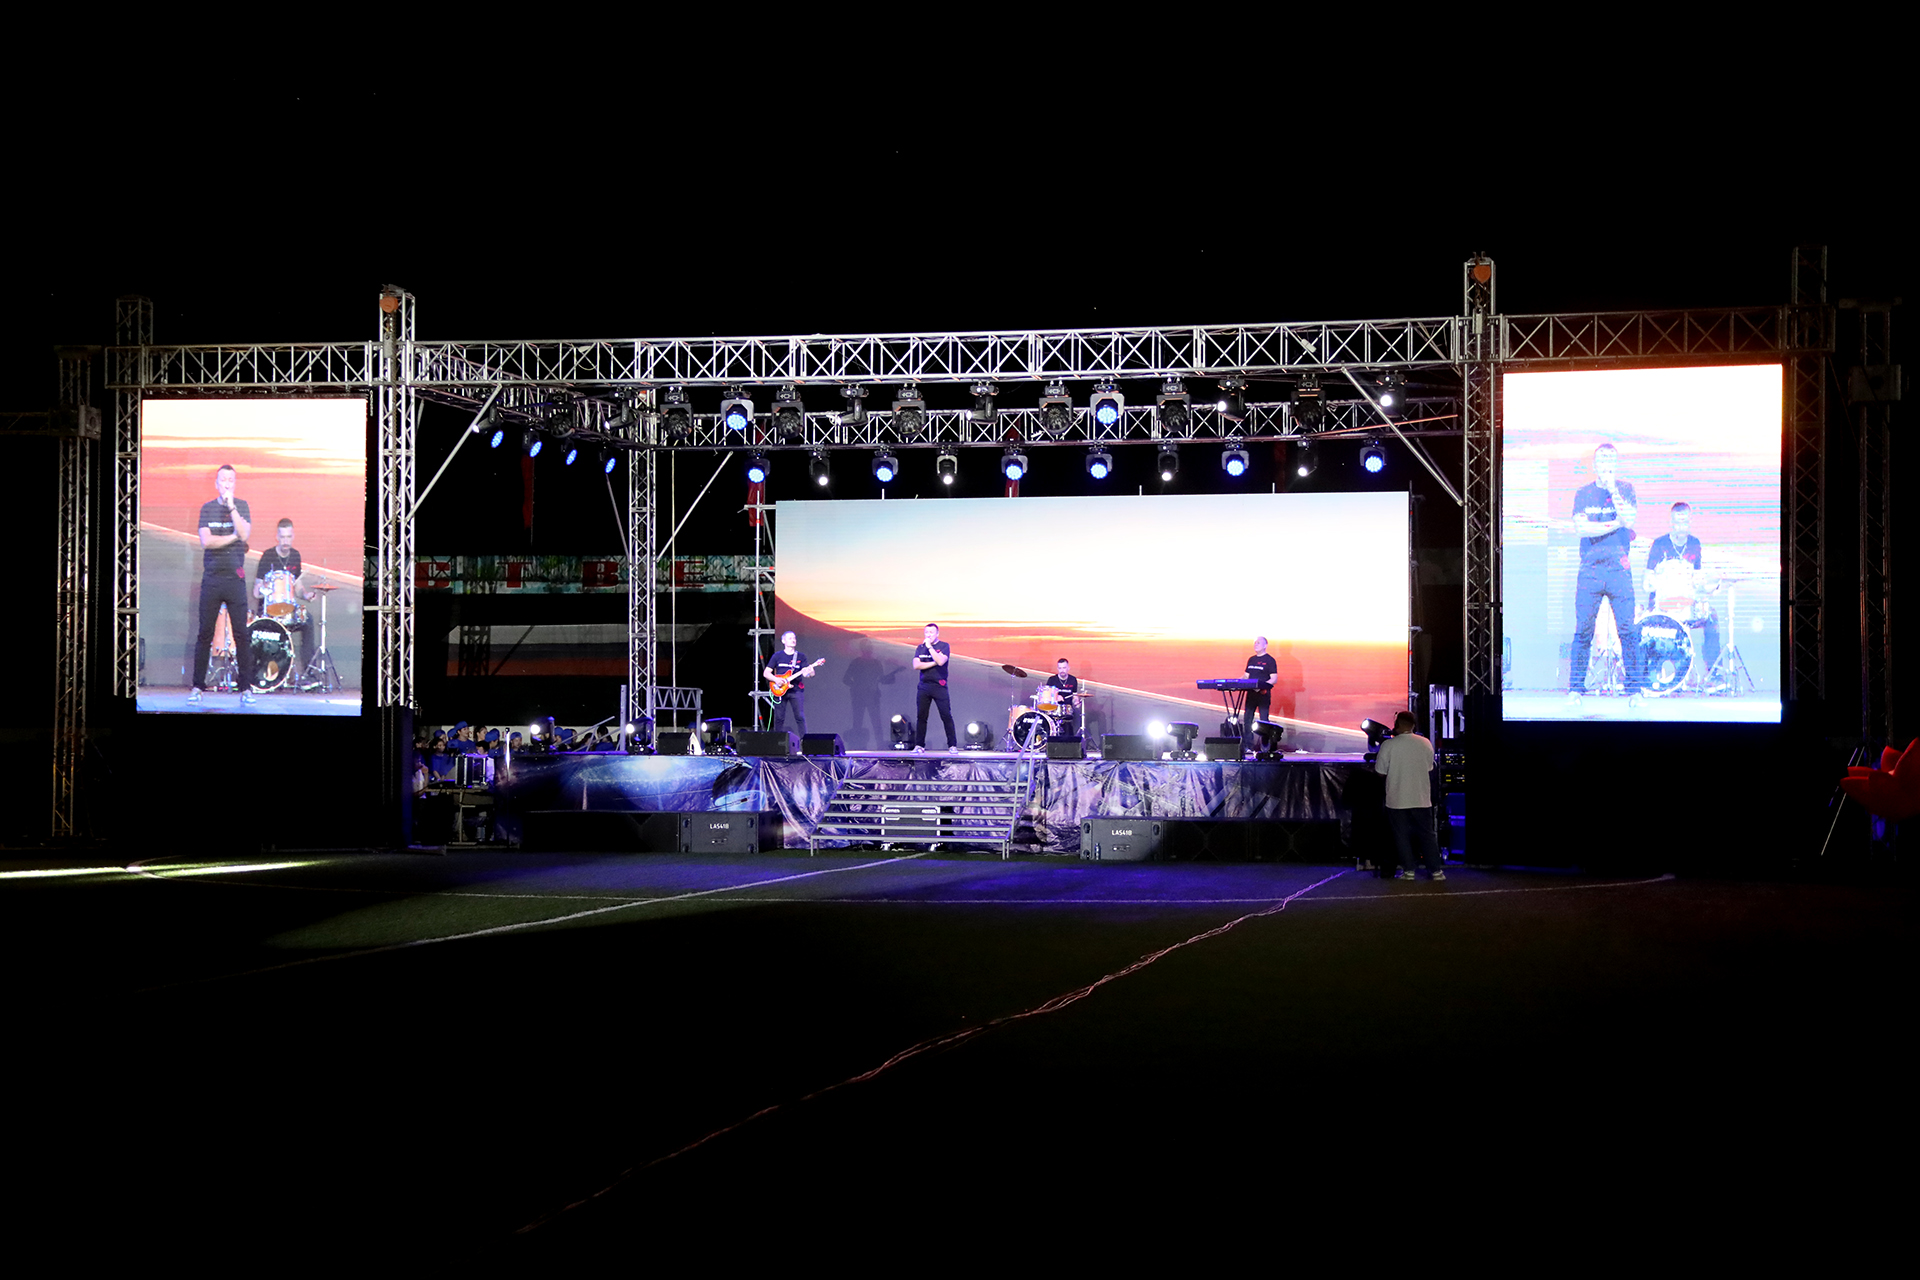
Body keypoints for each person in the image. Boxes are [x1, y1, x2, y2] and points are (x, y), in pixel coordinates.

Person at [1567, 443, 1643, 706]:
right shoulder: (1583, 493)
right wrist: (1614, 524)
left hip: (1619, 569)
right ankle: (1575, 690)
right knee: (1583, 631)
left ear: (1616, 464)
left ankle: (1635, 691)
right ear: (1594, 464)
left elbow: (1629, 520)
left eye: (1610, 459)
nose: (1605, 463)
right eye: (1601, 459)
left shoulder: (1625, 489)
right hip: (1590, 569)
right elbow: (1581, 528)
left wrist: (1613, 490)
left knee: (1628, 630)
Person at [189, 464, 256, 704]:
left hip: (235, 579)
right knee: (204, 634)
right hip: (212, 579)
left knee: (242, 635)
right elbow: (206, 541)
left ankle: (246, 688)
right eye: (223, 480)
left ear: (234, 483)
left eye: (231, 480)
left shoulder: (242, 506)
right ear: (216, 484)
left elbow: (245, 534)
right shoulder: (207, 508)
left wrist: (232, 507)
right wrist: (233, 537)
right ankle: (197, 687)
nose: (227, 483)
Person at [1645, 502, 1722, 682]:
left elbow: (1696, 579)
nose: (1681, 527)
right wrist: (1665, 578)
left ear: (1690, 522)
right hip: (1664, 607)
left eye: (1685, 522)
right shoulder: (1659, 544)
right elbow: (1646, 584)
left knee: (1711, 617)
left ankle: (1714, 674)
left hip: (1687, 605)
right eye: (1677, 522)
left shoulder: (1694, 544)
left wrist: (1710, 585)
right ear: (1671, 522)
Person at [1374, 711, 1443, 881]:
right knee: (1427, 835)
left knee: (1401, 836)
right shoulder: (1425, 743)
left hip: (1397, 799)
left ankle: (1409, 871)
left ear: (1397, 725)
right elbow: (1430, 767)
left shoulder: (1389, 745)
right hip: (1421, 797)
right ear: (1413, 725)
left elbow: (1380, 771)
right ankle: (1436, 871)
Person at [253, 518, 318, 679]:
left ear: (293, 536)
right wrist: (266, 589)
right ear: (277, 537)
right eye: (282, 537)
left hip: (288, 610)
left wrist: (306, 595)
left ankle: (309, 675)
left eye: (288, 537)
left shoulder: (295, 556)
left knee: (308, 621)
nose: (285, 541)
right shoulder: (268, 556)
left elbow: (297, 586)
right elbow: (256, 592)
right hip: (269, 611)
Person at [763, 632, 825, 741]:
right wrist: (776, 680)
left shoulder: (801, 656)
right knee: (779, 718)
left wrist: (810, 671)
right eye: (790, 638)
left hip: (796, 690)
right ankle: (777, 742)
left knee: (800, 717)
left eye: (794, 638)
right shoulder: (777, 656)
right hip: (779, 690)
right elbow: (766, 673)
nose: (793, 640)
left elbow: (808, 674)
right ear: (783, 641)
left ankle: (805, 742)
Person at [911, 623, 958, 752]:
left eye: (931, 632)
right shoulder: (920, 648)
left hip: (939, 686)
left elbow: (941, 661)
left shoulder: (944, 646)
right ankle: (919, 745)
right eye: (926, 632)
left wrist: (930, 648)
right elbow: (916, 665)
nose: (929, 635)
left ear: (937, 634)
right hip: (924, 686)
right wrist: (934, 662)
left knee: (946, 715)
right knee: (921, 717)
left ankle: (952, 745)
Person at [1243, 636, 1278, 734]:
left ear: (1265, 645)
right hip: (1251, 694)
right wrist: (1235, 682)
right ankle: (1247, 741)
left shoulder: (1270, 660)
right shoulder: (1251, 659)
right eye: (1255, 643)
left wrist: (1262, 686)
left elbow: (1274, 679)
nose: (1256, 645)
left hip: (1263, 694)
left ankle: (1264, 742)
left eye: (1258, 643)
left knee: (1264, 720)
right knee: (1247, 719)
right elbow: (1246, 676)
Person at [1044, 658, 1083, 738]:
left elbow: (1074, 695)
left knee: (1077, 716)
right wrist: (1056, 696)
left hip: (1068, 710)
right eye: (1060, 668)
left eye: (1064, 668)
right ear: (1057, 668)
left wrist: (1076, 702)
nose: (1062, 670)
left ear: (1068, 668)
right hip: (1054, 709)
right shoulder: (1052, 680)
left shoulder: (1073, 680)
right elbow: (1047, 695)